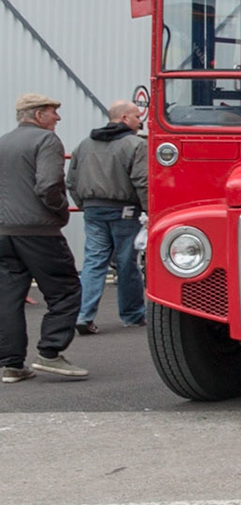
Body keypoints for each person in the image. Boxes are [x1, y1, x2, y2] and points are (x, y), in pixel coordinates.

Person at [0, 93, 86, 382]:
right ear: (38, 116)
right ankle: (50, 353)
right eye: (53, 112)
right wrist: (60, 211)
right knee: (66, 290)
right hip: (38, 231)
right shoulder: (46, 141)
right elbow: (49, 184)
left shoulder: (3, 141)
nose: (58, 118)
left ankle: (11, 364)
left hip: (4, 231)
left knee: (8, 297)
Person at [69, 99, 147, 333]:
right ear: (124, 118)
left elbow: (71, 181)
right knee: (126, 263)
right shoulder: (135, 145)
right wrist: (149, 210)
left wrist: (83, 204)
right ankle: (132, 315)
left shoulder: (85, 144)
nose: (139, 120)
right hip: (125, 210)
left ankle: (84, 315)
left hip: (93, 210)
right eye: (136, 116)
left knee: (94, 261)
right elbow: (142, 182)